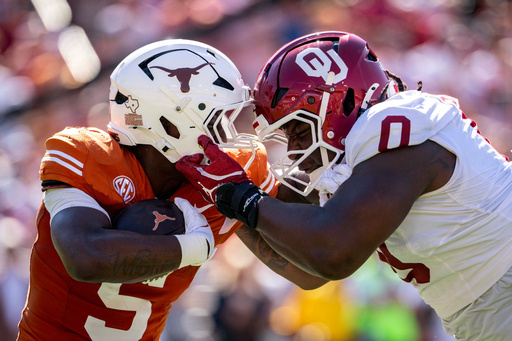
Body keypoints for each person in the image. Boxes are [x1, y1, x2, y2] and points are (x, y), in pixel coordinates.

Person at [176, 31, 512, 340]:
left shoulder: (396, 124)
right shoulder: (367, 153)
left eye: (298, 130)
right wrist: (225, 199)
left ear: (341, 102)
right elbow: (310, 273)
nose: (293, 150)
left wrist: (242, 198)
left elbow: (333, 253)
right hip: (485, 302)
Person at [17, 39, 326, 341]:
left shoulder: (228, 175)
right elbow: (84, 256)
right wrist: (191, 248)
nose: (231, 138)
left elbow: (310, 271)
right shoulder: (86, 154)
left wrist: (250, 199)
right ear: (172, 123)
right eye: (219, 121)